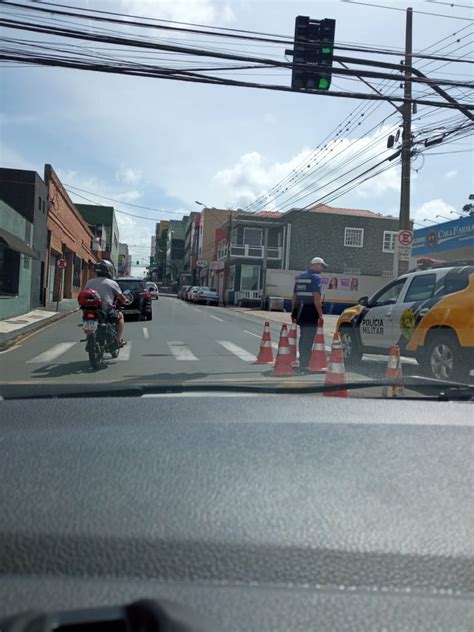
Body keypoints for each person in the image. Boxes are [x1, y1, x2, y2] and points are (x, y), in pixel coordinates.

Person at [291, 256, 328, 373]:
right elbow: (317, 298)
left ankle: (303, 360)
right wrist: (321, 315)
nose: (322, 268)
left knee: (303, 336)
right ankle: (305, 363)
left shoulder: (300, 277)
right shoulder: (315, 278)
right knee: (309, 337)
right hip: (311, 310)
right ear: (315, 265)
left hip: (301, 309)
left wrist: (293, 312)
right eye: (322, 266)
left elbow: (294, 297)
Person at [84, 260, 128, 347]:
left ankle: (89, 338)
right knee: (120, 316)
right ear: (109, 270)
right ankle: (118, 340)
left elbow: (85, 293)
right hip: (106, 311)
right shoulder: (111, 283)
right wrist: (125, 300)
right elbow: (120, 297)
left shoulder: (89, 282)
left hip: (90, 309)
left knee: (88, 320)